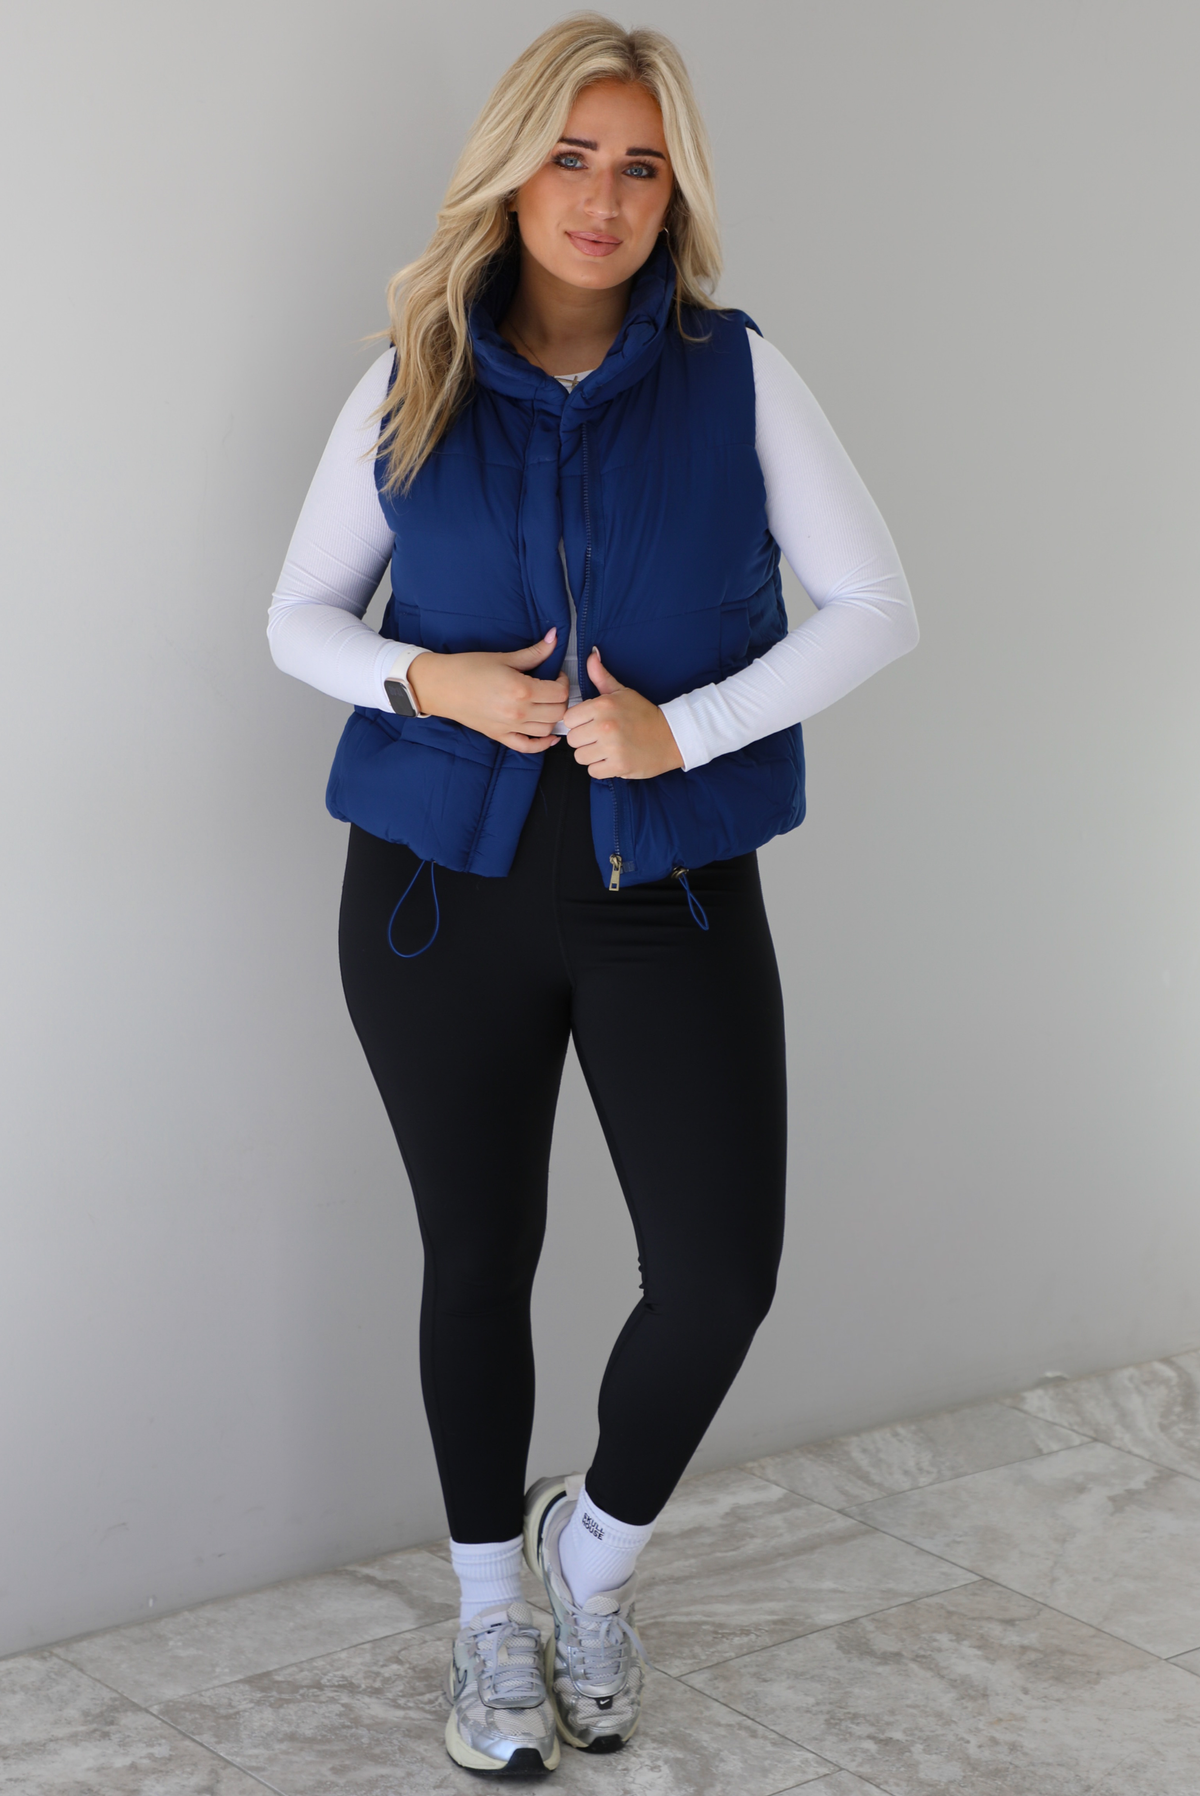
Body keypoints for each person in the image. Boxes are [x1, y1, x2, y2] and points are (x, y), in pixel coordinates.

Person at [269, 12, 917, 1778]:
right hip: (435, 894)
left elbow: (878, 605)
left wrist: (681, 730)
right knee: (478, 1260)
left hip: (669, 888)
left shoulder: (734, 375)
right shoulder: (413, 372)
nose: (605, 198)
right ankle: (491, 1615)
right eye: (572, 157)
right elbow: (297, 618)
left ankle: (592, 1559)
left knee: (716, 1276)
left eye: (640, 167)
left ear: (673, 194)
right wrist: (428, 679)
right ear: (511, 170)